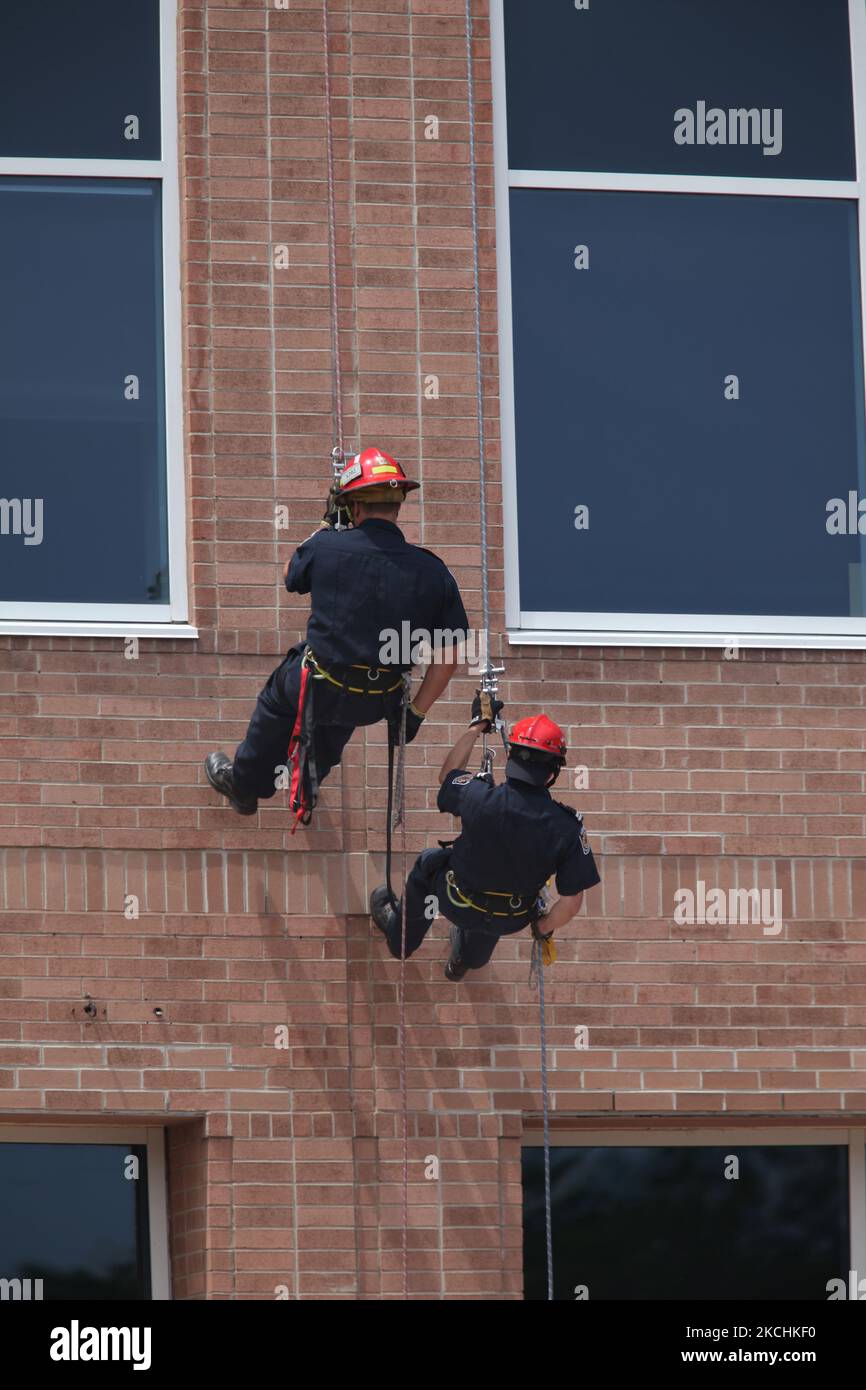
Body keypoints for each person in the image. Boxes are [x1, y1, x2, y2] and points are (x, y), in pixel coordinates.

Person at [204, 448, 469, 824]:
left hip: (317, 683)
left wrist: (326, 528)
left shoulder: (325, 546)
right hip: (376, 700)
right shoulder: (433, 571)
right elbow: (448, 660)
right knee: (338, 710)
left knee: (282, 696)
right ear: (397, 505)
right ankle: (305, 793)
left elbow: (289, 574)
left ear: (353, 506)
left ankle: (245, 785)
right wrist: (414, 716)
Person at [369, 696, 601, 979]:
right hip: (510, 917)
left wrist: (476, 727)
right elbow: (571, 903)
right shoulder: (567, 828)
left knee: (429, 862)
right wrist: (542, 927)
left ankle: (400, 941)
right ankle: (464, 962)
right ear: (552, 774)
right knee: (496, 899)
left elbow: (447, 776)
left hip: (457, 899)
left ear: (511, 756)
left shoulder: (478, 795)